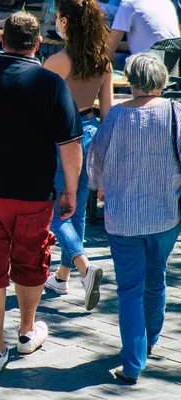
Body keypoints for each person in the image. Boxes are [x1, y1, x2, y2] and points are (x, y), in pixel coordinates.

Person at [0, 12, 83, 373]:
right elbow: (71, 145)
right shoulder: (50, 83)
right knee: (30, 261)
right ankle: (26, 331)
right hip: (31, 192)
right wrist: (71, 190)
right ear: (38, 44)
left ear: (2, 41)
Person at [87, 53, 181, 384]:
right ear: (163, 80)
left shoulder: (114, 116)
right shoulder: (175, 112)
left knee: (130, 288)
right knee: (157, 278)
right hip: (165, 214)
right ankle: (151, 339)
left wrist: (99, 188)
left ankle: (132, 363)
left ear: (130, 79)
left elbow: (96, 158)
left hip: (123, 217)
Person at [42, 0, 113, 311]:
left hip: (61, 140)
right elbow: (108, 113)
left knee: (54, 212)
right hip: (92, 135)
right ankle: (62, 276)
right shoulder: (104, 63)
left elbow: (38, 112)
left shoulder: (57, 61)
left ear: (66, 22)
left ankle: (85, 267)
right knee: (77, 211)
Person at [106, 0, 180, 68]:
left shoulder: (128, 4)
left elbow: (109, 51)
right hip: (170, 69)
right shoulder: (167, 3)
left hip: (146, 71)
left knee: (105, 59)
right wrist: (118, 46)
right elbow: (149, 42)